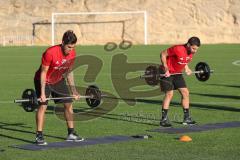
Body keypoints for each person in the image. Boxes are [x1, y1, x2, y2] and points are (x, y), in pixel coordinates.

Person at [34, 30, 84, 145]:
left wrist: (74, 91)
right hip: (44, 80)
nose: (71, 50)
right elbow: (43, 73)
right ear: (62, 43)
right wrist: (42, 93)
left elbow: (69, 72)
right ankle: (39, 135)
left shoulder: (72, 53)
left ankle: (71, 133)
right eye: (69, 47)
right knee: (43, 106)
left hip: (58, 80)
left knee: (68, 103)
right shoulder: (50, 52)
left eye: (73, 47)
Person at [159, 37, 201, 127]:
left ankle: (186, 119)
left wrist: (187, 68)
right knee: (169, 94)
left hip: (177, 74)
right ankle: (164, 120)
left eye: (197, 49)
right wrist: (165, 67)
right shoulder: (177, 48)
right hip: (167, 73)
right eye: (194, 48)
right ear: (188, 45)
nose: (195, 51)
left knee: (185, 93)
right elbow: (162, 54)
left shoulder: (191, 52)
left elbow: (184, 60)